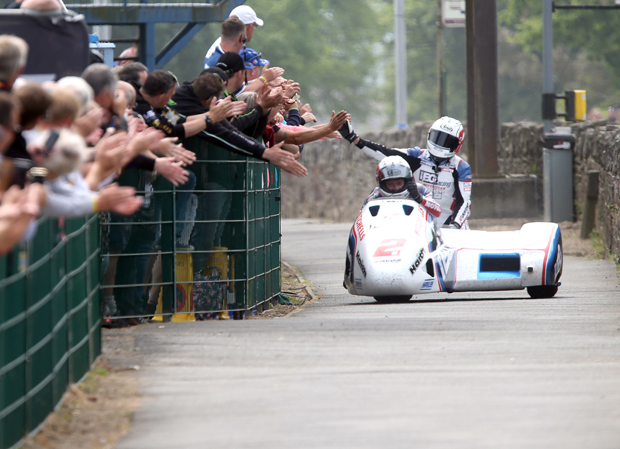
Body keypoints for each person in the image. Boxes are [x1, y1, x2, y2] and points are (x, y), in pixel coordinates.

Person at [339, 116, 472, 229]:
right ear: (430, 135)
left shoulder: (461, 167)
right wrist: (353, 138)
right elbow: (384, 153)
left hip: (450, 228)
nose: (440, 144)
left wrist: (455, 225)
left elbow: (464, 202)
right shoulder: (415, 156)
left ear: (457, 144)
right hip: (419, 227)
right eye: (438, 138)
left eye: (447, 141)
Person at [365, 155, 442, 219]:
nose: (396, 187)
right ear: (382, 183)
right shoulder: (376, 194)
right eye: (390, 184)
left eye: (399, 183)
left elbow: (438, 211)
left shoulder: (420, 189)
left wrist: (419, 198)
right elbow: (361, 218)